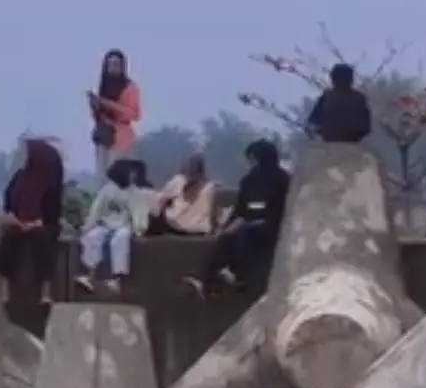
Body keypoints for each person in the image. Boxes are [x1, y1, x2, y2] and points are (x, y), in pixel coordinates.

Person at [184, 139, 290, 295]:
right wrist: (225, 227)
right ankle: (205, 278)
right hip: (248, 221)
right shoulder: (248, 181)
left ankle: (237, 273)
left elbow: (282, 208)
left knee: (245, 234)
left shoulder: (282, 180)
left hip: (271, 224)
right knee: (225, 238)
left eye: (253, 159)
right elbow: (240, 209)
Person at [0, 138, 64, 304]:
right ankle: (4, 287)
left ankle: (45, 290)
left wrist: (35, 223)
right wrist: (16, 220)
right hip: (19, 221)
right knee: (8, 238)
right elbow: (9, 202)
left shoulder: (51, 180)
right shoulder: (20, 177)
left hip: (43, 223)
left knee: (43, 240)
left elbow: (53, 212)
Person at [75, 159, 149, 295]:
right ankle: (90, 275)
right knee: (92, 237)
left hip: (124, 226)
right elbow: (96, 210)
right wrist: (87, 226)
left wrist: (139, 230)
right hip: (106, 224)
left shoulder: (135, 192)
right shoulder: (107, 190)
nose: (134, 175)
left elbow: (139, 212)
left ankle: (117, 279)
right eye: (131, 172)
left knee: (119, 240)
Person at [89, 49, 141, 175]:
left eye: (117, 64)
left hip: (121, 137)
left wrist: (108, 104)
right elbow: (98, 115)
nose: (113, 67)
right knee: (101, 177)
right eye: (110, 64)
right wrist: (95, 106)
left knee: (116, 178)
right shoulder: (103, 86)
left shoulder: (130, 87)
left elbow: (135, 114)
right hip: (103, 136)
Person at [149, 154, 219, 236]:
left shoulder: (178, 181)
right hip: (200, 230)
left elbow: (160, 204)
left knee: (153, 216)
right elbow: (214, 216)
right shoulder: (212, 188)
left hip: (176, 226)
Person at [306, 63, 372, 143]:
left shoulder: (326, 97)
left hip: (330, 143)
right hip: (352, 143)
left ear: (333, 79)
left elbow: (313, 121)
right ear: (351, 79)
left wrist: (318, 130)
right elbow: (366, 127)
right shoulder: (359, 99)